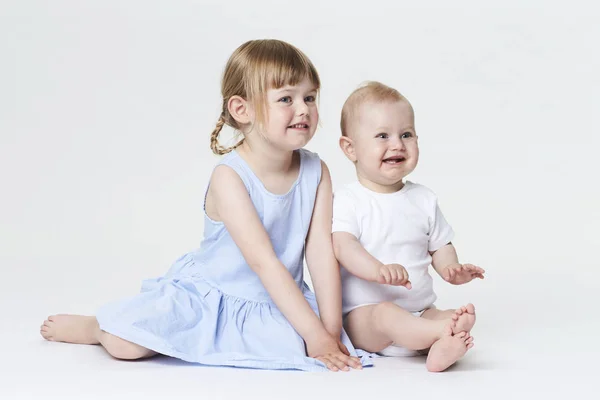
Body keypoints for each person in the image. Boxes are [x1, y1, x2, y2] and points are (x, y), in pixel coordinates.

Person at [40, 39, 370, 372]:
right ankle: (96, 326)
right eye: (286, 98)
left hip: (279, 300)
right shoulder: (229, 177)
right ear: (242, 109)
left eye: (310, 97)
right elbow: (264, 262)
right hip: (214, 294)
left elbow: (320, 254)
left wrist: (329, 332)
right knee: (126, 345)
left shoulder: (317, 171)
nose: (304, 109)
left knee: (308, 342)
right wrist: (314, 335)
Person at [331, 81, 485, 372]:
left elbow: (440, 245)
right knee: (387, 313)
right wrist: (378, 269)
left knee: (449, 314)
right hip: (365, 317)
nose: (397, 144)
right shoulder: (349, 199)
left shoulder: (423, 198)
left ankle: (440, 347)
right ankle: (439, 334)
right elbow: (343, 246)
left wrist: (452, 269)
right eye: (382, 136)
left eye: (406, 134)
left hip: (419, 310)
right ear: (350, 148)